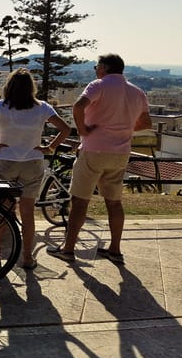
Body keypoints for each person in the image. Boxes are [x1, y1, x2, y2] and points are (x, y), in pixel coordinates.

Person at [48, 53, 152, 264]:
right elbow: (147, 122)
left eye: (97, 66)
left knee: (79, 201)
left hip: (94, 151)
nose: (95, 69)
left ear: (104, 67)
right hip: (120, 153)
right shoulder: (137, 92)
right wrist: (124, 129)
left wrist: (83, 130)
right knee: (114, 203)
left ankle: (68, 249)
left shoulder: (99, 85)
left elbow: (78, 106)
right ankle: (115, 249)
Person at [0, 68, 71, 269]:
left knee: (2, 210)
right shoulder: (42, 108)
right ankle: (27, 257)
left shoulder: (1, 106)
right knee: (27, 213)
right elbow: (65, 129)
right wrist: (50, 147)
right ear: (31, 88)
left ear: (9, 87)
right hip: (32, 161)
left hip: (6, 161)